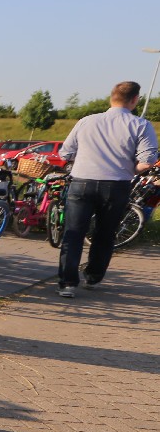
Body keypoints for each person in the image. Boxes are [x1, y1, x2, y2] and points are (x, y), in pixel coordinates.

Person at [56, 81, 158, 296]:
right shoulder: (141, 125)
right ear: (135, 99)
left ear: (111, 97)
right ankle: (92, 278)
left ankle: (67, 283)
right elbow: (148, 161)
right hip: (116, 185)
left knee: (73, 233)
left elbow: (65, 153)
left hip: (82, 182)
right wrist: (131, 169)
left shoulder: (86, 121)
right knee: (105, 234)